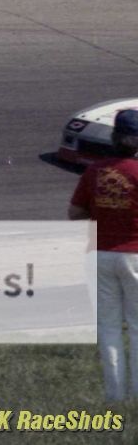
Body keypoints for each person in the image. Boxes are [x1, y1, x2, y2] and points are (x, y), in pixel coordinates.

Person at [69, 109, 138, 402]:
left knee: (108, 327)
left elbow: (75, 212)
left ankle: (115, 396)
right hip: (134, 254)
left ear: (113, 138)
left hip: (99, 254)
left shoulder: (95, 172)